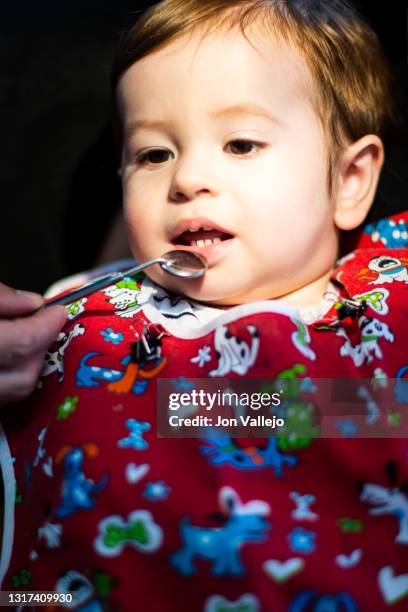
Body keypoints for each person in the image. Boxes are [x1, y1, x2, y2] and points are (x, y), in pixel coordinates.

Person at [1, 1, 407, 609]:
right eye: (153, 154)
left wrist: (196, 402)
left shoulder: (389, 294)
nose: (187, 177)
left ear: (349, 181)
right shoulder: (78, 315)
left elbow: (382, 410)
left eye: (241, 144)